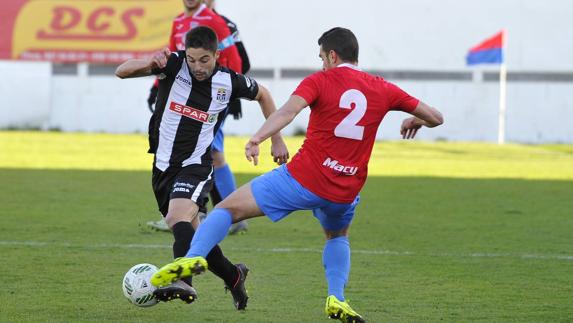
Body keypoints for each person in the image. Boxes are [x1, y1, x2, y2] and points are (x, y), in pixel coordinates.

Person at [150, 27, 443, 322]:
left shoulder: (320, 80)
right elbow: (436, 117)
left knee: (226, 209)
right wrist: (414, 119)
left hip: (303, 179)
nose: (321, 64)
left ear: (332, 55)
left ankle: (190, 259)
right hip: (345, 190)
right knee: (337, 235)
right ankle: (337, 298)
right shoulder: (383, 88)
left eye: (322, 58)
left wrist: (258, 139)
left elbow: (288, 112)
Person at [116, 26, 288, 309]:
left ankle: (184, 282)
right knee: (199, 242)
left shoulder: (228, 81)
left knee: (176, 217)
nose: (197, 67)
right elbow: (122, 71)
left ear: (217, 55)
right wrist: (150, 63)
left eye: (204, 60)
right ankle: (234, 276)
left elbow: (265, 95)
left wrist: (276, 139)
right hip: (162, 168)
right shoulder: (173, 64)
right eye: (192, 59)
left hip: (195, 165)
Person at [146, 0, 248, 234]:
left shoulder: (215, 21)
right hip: (184, 97)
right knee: (199, 151)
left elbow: (233, 56)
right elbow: (170, 60)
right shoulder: (178, 22)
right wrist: (155, 87)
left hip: (210, 98)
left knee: (211, 152)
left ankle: (231, 213)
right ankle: (191, 210)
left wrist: (233, 96)